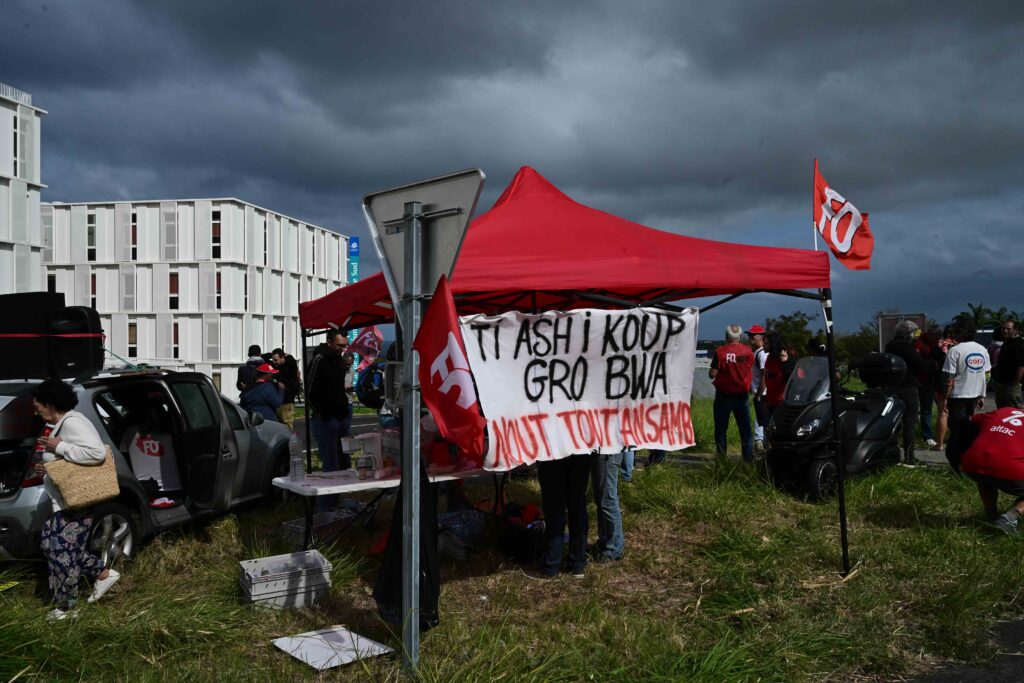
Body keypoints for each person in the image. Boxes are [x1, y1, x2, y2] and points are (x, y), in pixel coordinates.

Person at [30, 379, 120, 621]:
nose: (35, 411)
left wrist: (59, 447)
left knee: (62, 550)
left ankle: (68, 608)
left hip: (79, 501)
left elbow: (96, 453)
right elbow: (71, 462)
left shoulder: (73, 422)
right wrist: (48, 469)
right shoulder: (62, 425)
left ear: (50, 403)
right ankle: (102, 574)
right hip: (66, 501)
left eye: (38, 406)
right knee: (51, 544)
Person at [306, 329, 354, 510]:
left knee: (344, 462)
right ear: (329, 343)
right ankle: (326, 507)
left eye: (345, 345)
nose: (342, 349)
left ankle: (337, 500)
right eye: (340, 345)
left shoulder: (338, 360)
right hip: (326, 418)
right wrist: (322, 412)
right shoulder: (319, 360)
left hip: (339, 416)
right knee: (331, 464)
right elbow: (309, 391)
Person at [959, 407, 1024, 534]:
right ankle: (1011, 517)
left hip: (972, 462)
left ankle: (991, 515)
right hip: (1007, 468)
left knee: (986, 475)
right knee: (997, 468)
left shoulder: (1003, 411)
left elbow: (969, 420)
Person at [529, 453, 590, 579]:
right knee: (577, 506)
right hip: (579, 450)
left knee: (555, 508)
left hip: (553, 454)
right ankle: (577, 564)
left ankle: (552, 565)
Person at [942, 320, 991, 472]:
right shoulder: (982, 349)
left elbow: (949, 377)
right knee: (968, 428)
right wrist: (982, 395)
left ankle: (955, 463)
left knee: (956, 430)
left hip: (957, 396)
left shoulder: (955, 350)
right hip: (974, 394)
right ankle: (967, 462)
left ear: (961, 333)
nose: (952, 335)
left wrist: (945, 397)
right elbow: (987, 374)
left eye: (955, 332)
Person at [884, 320, 934, 465]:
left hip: (892, 386)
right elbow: (919, 364)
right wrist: (932, 362)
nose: (916, 336)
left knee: (893, 422)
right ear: (908, 333)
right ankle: (909, 457)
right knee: (909, 422)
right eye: (914, 333)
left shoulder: (890, 345)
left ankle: (892, 455)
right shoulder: (906, 347)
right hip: (907, 386)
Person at [709, 325, 754, 462]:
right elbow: (750, 368)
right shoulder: (748, 351)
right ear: (740, 336)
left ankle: (721, 457)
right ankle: (748, 458)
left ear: (726, 336)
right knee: (745, 429)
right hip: (741, 395)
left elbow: (713, 374)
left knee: (721, 428)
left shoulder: (720, 352)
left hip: (723, 395)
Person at [119, 405, 181, 494]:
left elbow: (124, 458)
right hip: (176, 488)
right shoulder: (171, 433)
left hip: (145, 490)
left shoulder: (128, 435)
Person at [590, 449, 625, 563]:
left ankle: (613, 549)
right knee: (602, 500)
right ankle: (606, 542)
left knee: (607, 501)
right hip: (604, 451)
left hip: (607, 451)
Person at [761, 332, 797, 429]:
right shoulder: (770, 357)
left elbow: (790, 379)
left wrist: (785, 362)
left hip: (782, 401)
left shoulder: (786, 357)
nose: (763, 345)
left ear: (773, 344)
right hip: (771, 399)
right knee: (769, 428)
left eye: (766, 343)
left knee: (779, 428)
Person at [931, 326, 956, 451]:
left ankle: (940, 443)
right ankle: (955, 440)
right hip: (959, 383)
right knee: (956, 414)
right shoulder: (958, 347)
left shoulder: (939, 348)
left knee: (943, 413)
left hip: (942, 383)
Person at [914, 329, 939, 448]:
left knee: (923, 410)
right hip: (926, 382)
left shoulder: (918, 345)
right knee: (926, 410)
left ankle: (925, 435)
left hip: (923, 381)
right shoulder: (928, 348)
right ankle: (927, 436)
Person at [991, 321, 1024, 409]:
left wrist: (1014, 384)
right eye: (1003, 328)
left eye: (1008, 329)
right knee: (1002, 412)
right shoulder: (1006, 342)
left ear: (1015, 330)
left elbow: (1021, 366)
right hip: (1001, 385)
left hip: (1011, 387)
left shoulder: (1019, 344)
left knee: (1014, 412)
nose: (1005, 331)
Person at [748, 324, 768, 454]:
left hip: (763, 392)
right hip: (759, 391)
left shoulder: (761, 354)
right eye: (749, 334)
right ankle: (762, 441)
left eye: (752, 335)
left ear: (760, 337)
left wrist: (760, 393)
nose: (749, 337)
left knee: (762, 417)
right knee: (761, 417)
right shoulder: (756, 352)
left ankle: (760, 442)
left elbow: (764, 374)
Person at [271, 348, 302, 429]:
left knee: (287, 423)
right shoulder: (280, 365)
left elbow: (290, 381)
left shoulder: (290, 365)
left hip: (287, 399)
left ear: (282, 358)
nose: (274, 362)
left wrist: (277, 381)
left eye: (276, 360)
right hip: (280, 399)